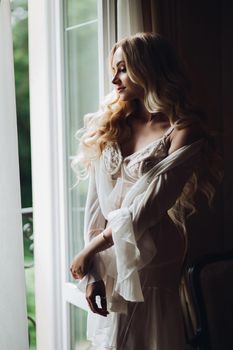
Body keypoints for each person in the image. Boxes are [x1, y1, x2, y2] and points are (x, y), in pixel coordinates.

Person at [69, 32, 223, 350]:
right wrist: (93, 274)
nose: (114, 79)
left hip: (152, 261)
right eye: (114, 69)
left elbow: (150, 206)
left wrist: (91, 249)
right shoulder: (113, 123)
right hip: (108, 261)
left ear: (149, 68)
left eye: (123, 68)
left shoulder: (183, 130)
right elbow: (95, 205)